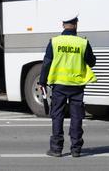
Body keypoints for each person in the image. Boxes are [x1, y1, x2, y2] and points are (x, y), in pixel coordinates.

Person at [39, 13, 96, 158]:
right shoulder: (82, 42)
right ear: (76, 24)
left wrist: (42, 82)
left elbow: (47, 63)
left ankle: (56, 149)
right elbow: (92, 61)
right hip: (77, 85)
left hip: (59, 85)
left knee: (57, 115)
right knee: (77, 117)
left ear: (63, 25)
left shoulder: (54, 42)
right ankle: (76, 149)